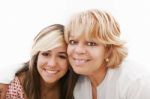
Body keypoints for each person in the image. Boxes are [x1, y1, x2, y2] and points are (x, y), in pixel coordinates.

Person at [64, 9, 150, 99]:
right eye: (73, 42)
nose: (78, 50)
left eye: (91, 43)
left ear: (108, 49)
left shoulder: (136, 82)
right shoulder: (78, 84)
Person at [0, 24, 74, 99]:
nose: (52, 64)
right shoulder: (13, 87)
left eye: (62, 56)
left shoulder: (76, 88)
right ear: (36, 57)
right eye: (46, 54)